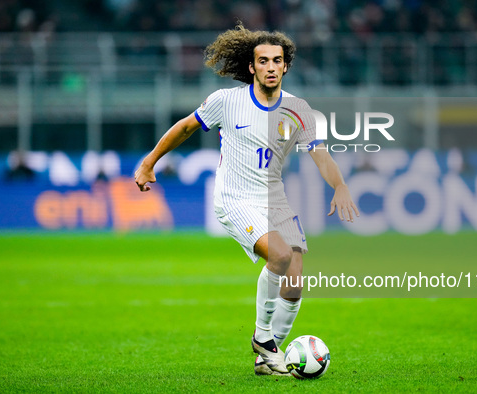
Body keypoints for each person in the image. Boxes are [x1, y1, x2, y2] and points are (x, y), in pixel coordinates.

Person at [134, 23, 359, 376]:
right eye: (263, 60)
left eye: (277, 61)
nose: (271, 67)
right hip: (234, 197)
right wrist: (149, 163)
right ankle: (263, 338)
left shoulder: (299, 109)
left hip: (274, 198)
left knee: (296, 278)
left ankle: (268, 358)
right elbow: (185, 127)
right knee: (281, 255)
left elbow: (321, 155)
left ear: (286, 66)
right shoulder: (227, 101)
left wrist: (340, 185)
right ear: (251, 67)